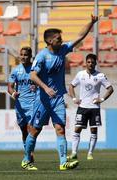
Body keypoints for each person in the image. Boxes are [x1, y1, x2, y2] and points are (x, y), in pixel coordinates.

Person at [21, 15, 99, 171]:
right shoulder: (42, 56)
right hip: (43, 99)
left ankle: (63, 162)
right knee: (35, 130)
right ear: (50, 41)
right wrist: (45, 87)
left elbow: (79, 36)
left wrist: (91, 22)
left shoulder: (63, 50)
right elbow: (32, 75)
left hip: (57, 99)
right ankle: (26, 159)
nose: (61, 40)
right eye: (58, 38)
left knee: (60, 129)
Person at [68, 53, 113, 160]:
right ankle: (74, 152)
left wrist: (101, 99)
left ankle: (90, 153)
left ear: (95, 63)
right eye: (88, 62)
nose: (90, 64)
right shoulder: (80, 74)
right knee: (77, 129)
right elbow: (71, 86)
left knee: (93, 130)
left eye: (92, 62)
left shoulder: (100, 76)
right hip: (82, 107)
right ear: (85, 63)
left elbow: (110, 88)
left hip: (94, 108)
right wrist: (74, 98)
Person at [7, 47, 36, 161]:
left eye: (26, 55)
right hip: (20, 105)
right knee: (24, 130)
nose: (23, 57)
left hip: (33, 103)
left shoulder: (35, 69)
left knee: (31, 129)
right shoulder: (15, 70)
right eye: (22, 54)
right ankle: (27, 151)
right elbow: (9, 86)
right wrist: (14, 93)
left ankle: (29, 154)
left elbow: (41, 83)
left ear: (30, 56)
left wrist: (36, 86)